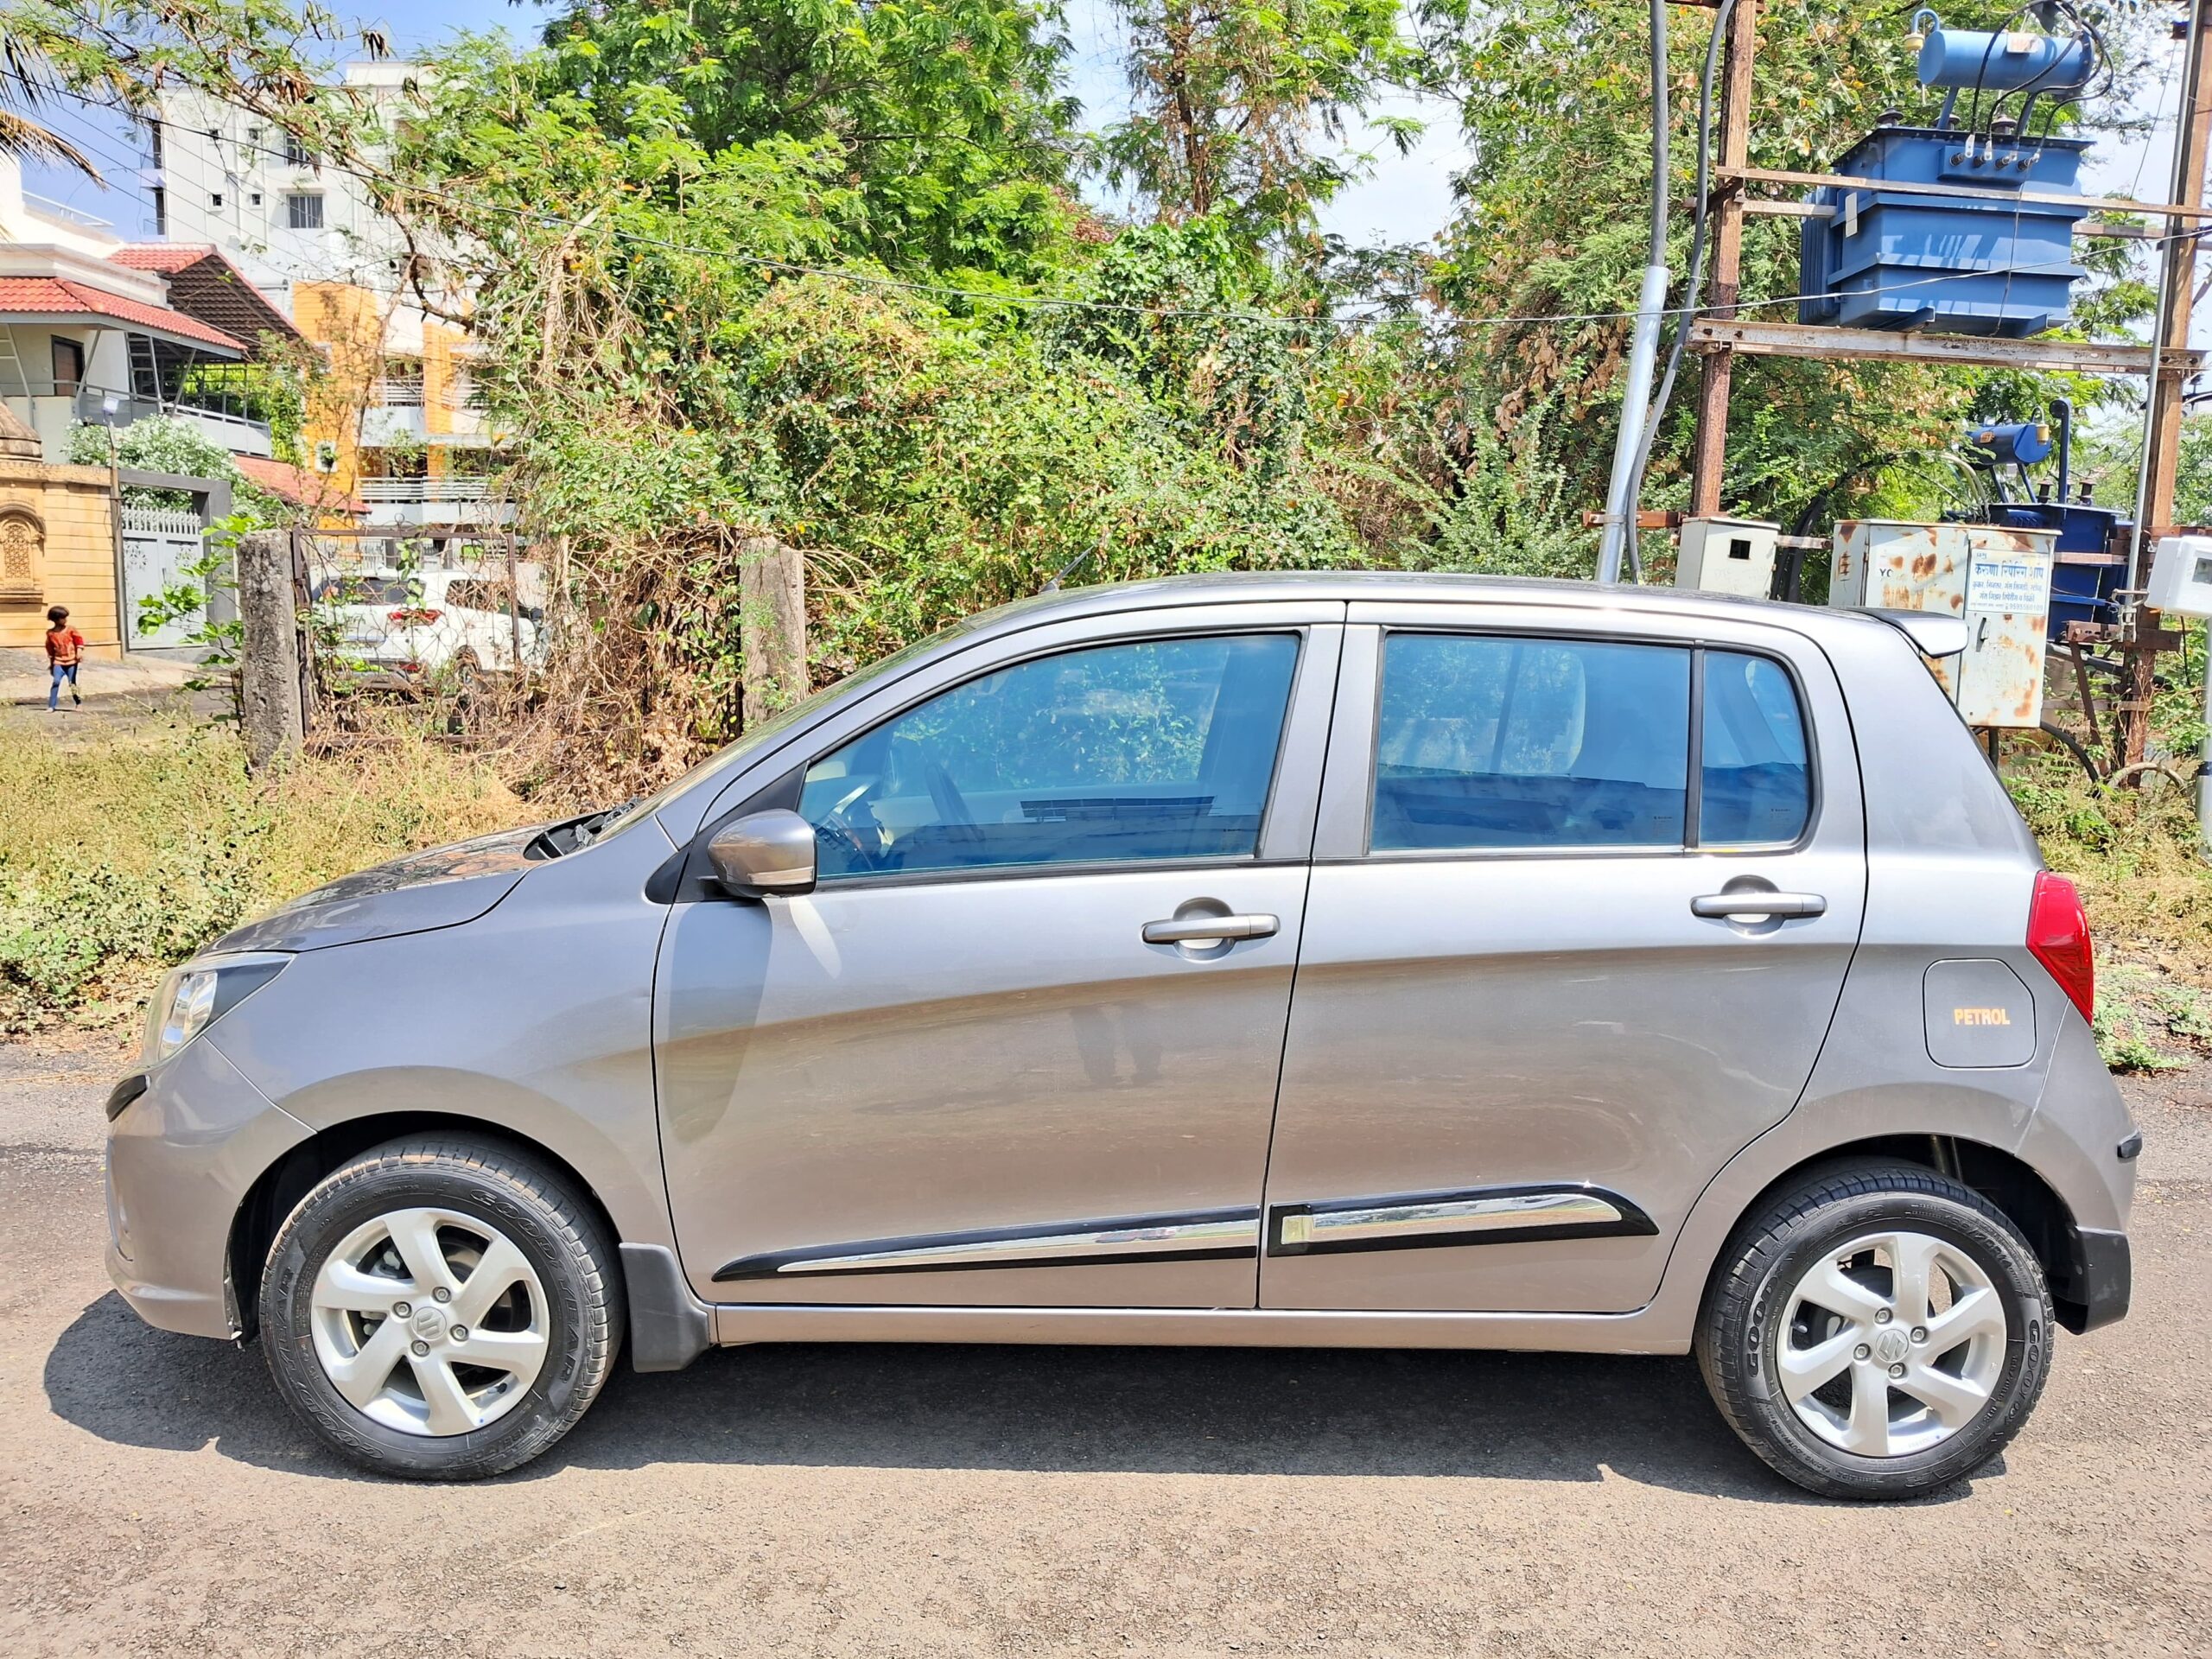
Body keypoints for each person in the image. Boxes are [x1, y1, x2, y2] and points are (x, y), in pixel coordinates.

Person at [44, 605, 84, 711]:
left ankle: (78, 703)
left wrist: (79, 651)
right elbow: (50, 649)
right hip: (58, 661)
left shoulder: (71, 629)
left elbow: (79, 640)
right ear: (56, 619)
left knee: (72, 683)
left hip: (71, 661)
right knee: (56, 682)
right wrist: (52, 663)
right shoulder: (51, 633)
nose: (65, 620)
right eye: (63, 618)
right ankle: (51, 706)